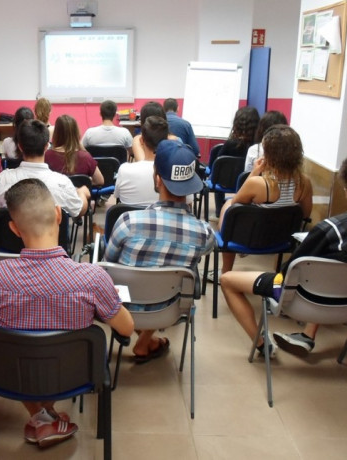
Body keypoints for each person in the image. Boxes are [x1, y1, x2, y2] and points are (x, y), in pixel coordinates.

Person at [0, 178, 134, 448]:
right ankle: (45, 414)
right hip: (76, 376)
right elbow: (127, 328)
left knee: (15, 345)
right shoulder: (93, 278)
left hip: (11, 376)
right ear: (59, 215)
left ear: (14, 229)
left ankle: (39, 416)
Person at [221, 157, 347, 358]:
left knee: (227, 280)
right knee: (332, 267)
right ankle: (307, 335)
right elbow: (305, 214)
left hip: (303, 302)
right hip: (341, 303)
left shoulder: (330, 229)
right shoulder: (304, 184)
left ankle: (262, 344)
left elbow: (289, 272)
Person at [105, 140, 214, 362]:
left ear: (157, 179)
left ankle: (141, 336)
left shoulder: (127, 222)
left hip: (124, 307)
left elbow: (108, 268)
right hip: (169, 311)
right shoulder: (204, 234)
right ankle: (147, 340)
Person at [215, 125, 313, 277]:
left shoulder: (258, 184)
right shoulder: (304, 183)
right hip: (282, 240)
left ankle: (226, 272)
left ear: (269, 154)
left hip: (248, 239)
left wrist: (254, 172)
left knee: (229, 204)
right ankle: (277, 275)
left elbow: (236, 206)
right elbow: (305, 214)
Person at [0, 119, 89, 217]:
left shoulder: (3, 178)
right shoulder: (62, 183)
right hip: (50, 232)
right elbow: (79, 210)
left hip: (12, 232)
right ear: (47, 146)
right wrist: (82, 193)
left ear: (20, 147)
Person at [208, 106, 260, 217]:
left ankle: (219, 211)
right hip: (246, 184)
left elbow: (216, 165)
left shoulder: (230, 144)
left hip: (224, 182)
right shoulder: (257, 148)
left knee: (217, 177)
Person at [114, 115, 168, 206]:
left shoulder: (125, 170)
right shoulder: (171, 172)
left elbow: (117, 195)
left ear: (141, 140)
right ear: (166, 140)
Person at [45, 114, 104, 185]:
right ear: (76, 132)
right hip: (79, 195)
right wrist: (85, 182)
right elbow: (100, 181)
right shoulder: (85, 157)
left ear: (56, 133)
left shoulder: (47, 156)